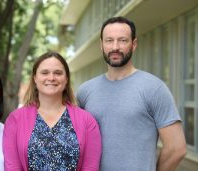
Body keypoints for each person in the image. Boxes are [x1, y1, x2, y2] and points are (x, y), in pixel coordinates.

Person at [77, 16, 187, 171]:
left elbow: (177, 148)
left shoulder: (154, 88)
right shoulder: (85, 91)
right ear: (101, 45)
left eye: (122, 40)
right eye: (109, 40)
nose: (115, 47)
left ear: (134, 44)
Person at [3, 51, 102, 171]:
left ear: (66, 79)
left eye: (58, 73)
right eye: (45, 73)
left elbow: (90, 167)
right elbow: (12, 167)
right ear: (35, 78)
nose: (51, 78)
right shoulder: (15, 119)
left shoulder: (87, 121)